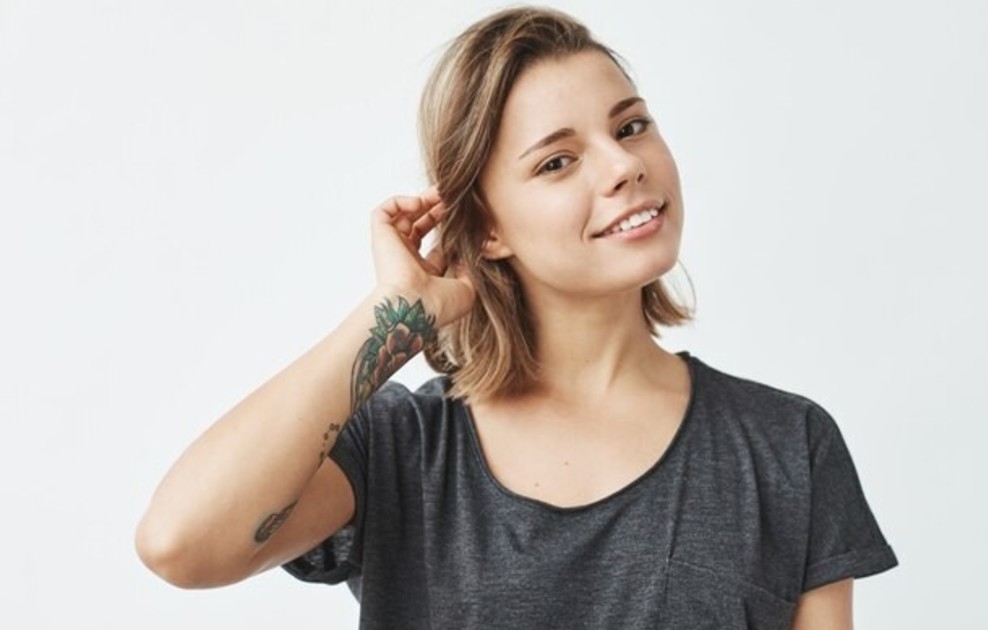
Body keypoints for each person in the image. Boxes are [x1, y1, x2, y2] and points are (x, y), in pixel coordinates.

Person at [135, 6, 898, 629]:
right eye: (557, 162)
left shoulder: (787, 448)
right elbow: (180, 544)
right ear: (488, 227)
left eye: (630, 126)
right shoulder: (405, 450)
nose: (624, 165)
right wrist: (392, 315)